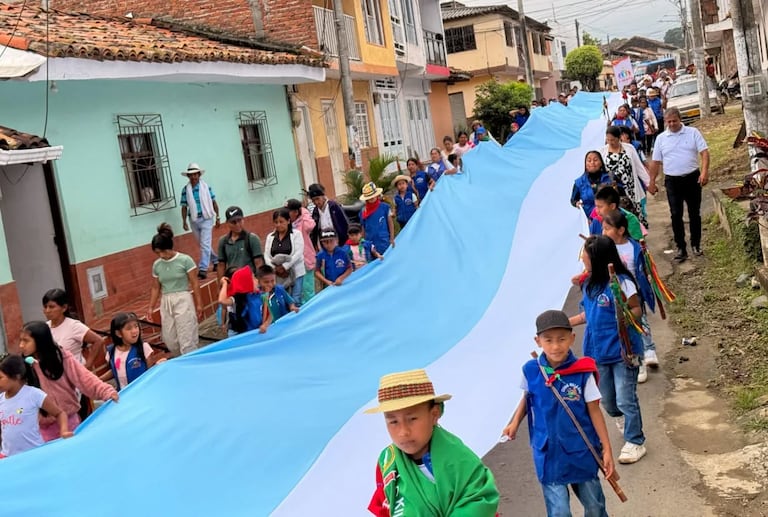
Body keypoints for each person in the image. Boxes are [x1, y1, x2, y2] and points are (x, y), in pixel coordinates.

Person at [503, 310, 614, 517]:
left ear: (572, 338)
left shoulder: (583, 372)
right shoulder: (531, 370)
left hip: (581, 449)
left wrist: (606, 449)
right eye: (548, 340)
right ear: (538, 341)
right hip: (548, 453)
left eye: (562, 339)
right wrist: (514, 423)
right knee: (559, 511)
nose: (555, 346)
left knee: (595, 506)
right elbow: (528, 397)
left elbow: (594, 410)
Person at [366, 368, 500, 516]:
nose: (403, 432)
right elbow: (384, 505)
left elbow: (478, 501)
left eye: (412, 419)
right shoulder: (387, 461)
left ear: (434, 414)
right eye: (393, 421)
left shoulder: (459, 459)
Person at [569, 236, 647, 464]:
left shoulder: (621, 282)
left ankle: (635, 441)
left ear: (599, 259)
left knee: (625, 399)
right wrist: (567, 323)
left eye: (586, 255)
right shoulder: (589, 284)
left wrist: (622, 315)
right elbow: (589, 315)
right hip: (597, 352)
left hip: (623, 351)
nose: (582, 258)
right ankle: (622, 419)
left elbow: (636, 309)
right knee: (608, 402)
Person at [19, 321, 118, 441]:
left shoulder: (61, 358)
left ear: (40, 340)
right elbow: (18, 399)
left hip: (70, 424)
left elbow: (84, 379)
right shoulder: (24, 366)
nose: (21, 345)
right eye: (21, 340)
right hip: (42, 431)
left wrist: (106, 391)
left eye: (26, 341)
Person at [602, 210, 660, 383]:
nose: (603, 232)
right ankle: (635, 357)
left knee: (640, 323)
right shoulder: (605, 248)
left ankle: (646, 354)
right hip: (616, 297)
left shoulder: (635, 247)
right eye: (603, 229)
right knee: (627, 328)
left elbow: (645, 267)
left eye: (607, 228)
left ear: (621, 230)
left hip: (634, 294)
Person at [648, 107, 710, 262]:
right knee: (676, 214)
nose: (672, 124)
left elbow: (704, 153)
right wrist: (652, 182)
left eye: (674, 121)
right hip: (672, 181)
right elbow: (655, 162)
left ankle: (696, 244)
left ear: (680, 119)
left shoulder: (693, 132)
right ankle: (681, 247)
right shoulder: (661, 138)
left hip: (692, 178)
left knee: (694, 212)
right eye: (668, 122)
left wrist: (704, 172)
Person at [0, 355, 72, 457]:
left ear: (17, 376)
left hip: (34, 454)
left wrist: (64, 430)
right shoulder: (1, 399)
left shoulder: (33, 395)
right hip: (8, 457)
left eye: (0, 378)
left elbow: (60, 413)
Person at [147, 223, 202, 356]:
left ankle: (190, 360)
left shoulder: (185, 260)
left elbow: (195, 283)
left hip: (183, 298)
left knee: (186, 335)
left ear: (169, 247)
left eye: (163, 251)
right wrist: (151, 307)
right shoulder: (157, 265)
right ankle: (180, 357)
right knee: (169, 338)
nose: (161, 255)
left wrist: (199, 304)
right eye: (157, 252)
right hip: (166, 300)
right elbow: (156, 287)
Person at [43, 288, 104, 369]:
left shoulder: (73, 326)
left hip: (76, 373)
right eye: (45, 307)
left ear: (64, 308)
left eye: (51, 307)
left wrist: (88, 365)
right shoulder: (45, 327)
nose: (47, 310)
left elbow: (98, 341)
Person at [602, 126, 650, 227]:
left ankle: (638, 239)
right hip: (615, 190)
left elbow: (638, 167)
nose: (610, 142)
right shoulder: (602, 152)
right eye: (608, 139)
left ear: (619, 137)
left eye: (613, 140)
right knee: (618, 217)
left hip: (631, 188)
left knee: (634, 216)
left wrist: (649, 183)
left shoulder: (629, 148)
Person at [102, 312, 162, 391]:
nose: (134, 331)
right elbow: (116, 370)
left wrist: (158, 366)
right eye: (129, 328)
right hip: (123, 395)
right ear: (119, 334)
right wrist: (98, 379)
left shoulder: (144, 348)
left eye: (136, 326)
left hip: (143, 391)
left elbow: (150, 372)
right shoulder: (111, 352)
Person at [179, 163, 220, 279]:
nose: (193, 177)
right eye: (191, 175)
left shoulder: (206, 187)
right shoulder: (185, 190)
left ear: (199, 175)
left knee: (205, 244)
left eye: (195, 174)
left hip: (206, 218)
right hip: (193, 219)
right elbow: (183, 207)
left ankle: (203, 269)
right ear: (188, 176)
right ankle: (216, 260)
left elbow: (214, 202)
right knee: (202, 244)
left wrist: (218, 217)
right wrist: (184, 221)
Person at [264, 208, 305, 305]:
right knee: (282, 300)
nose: (278, 225)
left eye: (281, 222)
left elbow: (298, 253)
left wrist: (285, 266)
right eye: (276, 222)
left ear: (288, 221)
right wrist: (274, 268)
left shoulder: (296, 234)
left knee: (295, 299)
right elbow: (266, 254)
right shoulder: (270, 237)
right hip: (278, 275)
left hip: (295, 272)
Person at [218, 265, 270, 335]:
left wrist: (265, 324)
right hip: (240, 335)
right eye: (254, 278)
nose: (257, 280)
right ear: (246, 283)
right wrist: (224, 284)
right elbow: (222, 301)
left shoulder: (260, 295)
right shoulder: (237, 299)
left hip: (257, 332)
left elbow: (270, 314)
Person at [217, 206, 264, 279]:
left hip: (250, 281)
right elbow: (221, 265)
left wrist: (259, 281)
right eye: (233, 222)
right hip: (233, 282)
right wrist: (221, 285)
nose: (237, 224)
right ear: (227, 223)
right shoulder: (223, 241)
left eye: (239, 220)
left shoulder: (252, 239)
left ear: (243, 220)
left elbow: (258, 263)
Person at [286, 199, 316, 305]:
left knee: (308, 290)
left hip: (305, 260)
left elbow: (311, 225)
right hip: (293, 264)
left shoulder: (302, 222)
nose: (287, 213)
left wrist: (303, 211)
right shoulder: (287, 224)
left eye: (289, 210)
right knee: (297, 293)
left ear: (295, 212)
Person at [571, 151, 613, 221]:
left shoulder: (610, 177)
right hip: (590, 220)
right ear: (585, 164)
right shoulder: (579, 182)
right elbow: (573, 200)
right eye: (589, 160)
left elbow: (621, 193)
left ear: (601, 163)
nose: (592, 163)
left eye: (595, 160)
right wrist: (576, 203)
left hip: (610, 218)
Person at [308, 183, 349, 249]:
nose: (316, 202)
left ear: (323, 196)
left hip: (338, 243)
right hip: (324, 244)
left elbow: (344, 225)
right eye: (313, 200)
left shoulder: (333, 206)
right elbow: (315, 231)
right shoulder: (315, 211)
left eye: (317, 199)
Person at [359, 182, 394, 254]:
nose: (371, 198)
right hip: (370, 243)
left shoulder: (385, 207)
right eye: (369, 197)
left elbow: (390, 223)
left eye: (373, 196)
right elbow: (363, 228)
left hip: (384, 241)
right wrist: (362, 241)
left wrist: (392, 238)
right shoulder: (363, 212)